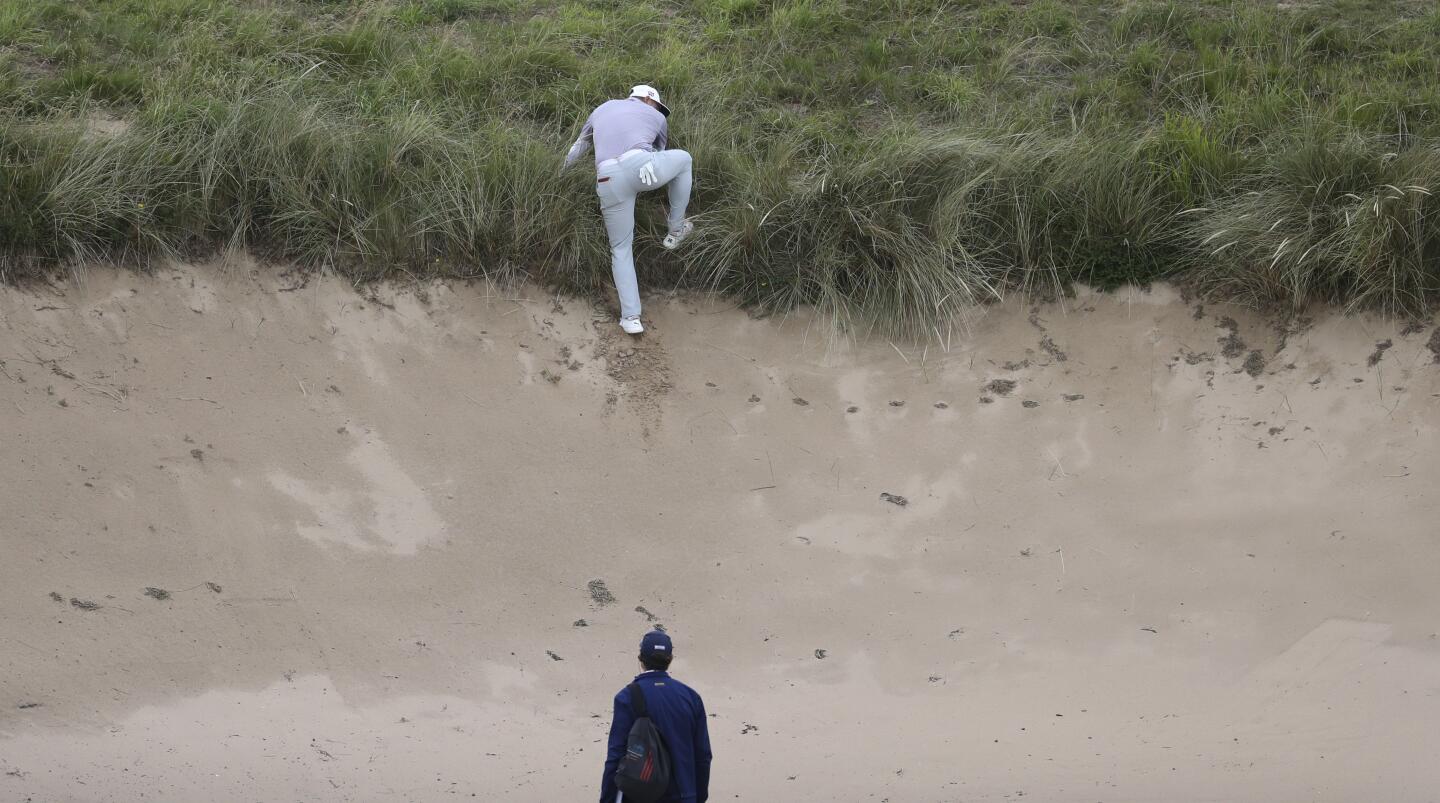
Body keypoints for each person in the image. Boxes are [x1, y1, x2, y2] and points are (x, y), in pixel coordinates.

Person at [563, 85, 695, 335]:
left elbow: (579, 147)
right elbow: (661, 153)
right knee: (685, 159)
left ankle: (631, 318)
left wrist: (560, 173)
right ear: (647, 99)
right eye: (657, 104)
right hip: (642, 166)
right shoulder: (657, 117)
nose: (658, 110)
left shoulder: (601, 109)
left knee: (620, 248)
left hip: (607, 177)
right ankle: (675, 230)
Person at [600, 630, 712, 803]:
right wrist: (698, 796)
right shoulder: (691, 697)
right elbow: (703, 756)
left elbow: (615, 756)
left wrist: (607, 799)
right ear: (670, 659)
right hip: (684, 796)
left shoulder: (627, 697)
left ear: (640, 659)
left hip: (639, 796)